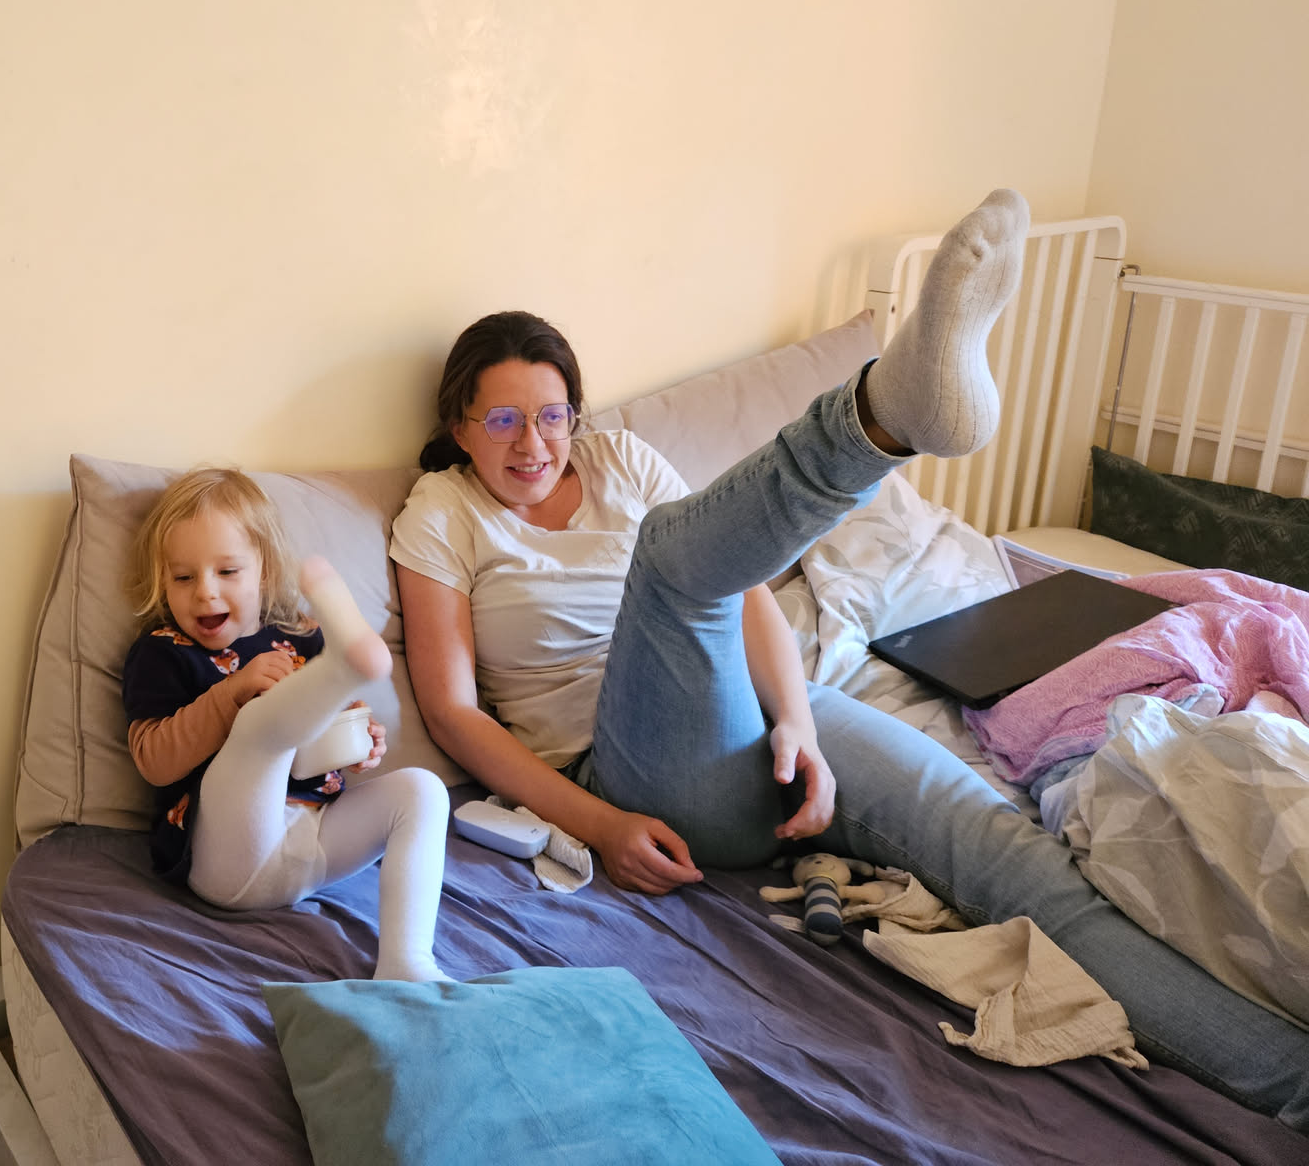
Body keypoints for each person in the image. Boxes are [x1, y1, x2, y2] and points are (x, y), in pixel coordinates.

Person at [391, 190, 1309, 1128]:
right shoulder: (443, 515)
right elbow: (456, 717)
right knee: (670, 562)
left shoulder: (619, 458)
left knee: (1011, 857)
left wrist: (799, 723)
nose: (534, 445)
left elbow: (748, 591)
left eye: (551, 416)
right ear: (460, 427)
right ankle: (880, 417)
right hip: (636, 777)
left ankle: (1289, 1084)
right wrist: (602, 824)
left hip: (764, 725)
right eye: (502, 422)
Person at [122, 468, 449, 982]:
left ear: (264, 571)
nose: (205, 592)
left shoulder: (298, 638)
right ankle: (351, 665)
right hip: (226, 859)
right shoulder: (163, 651)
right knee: (257, 727)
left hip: (315, 848)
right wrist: (231, 693)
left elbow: (329, 731)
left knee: (423, 790)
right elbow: (155, 763)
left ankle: (407, 963)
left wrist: (360, 740)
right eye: (183, 577)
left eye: (227, 571)